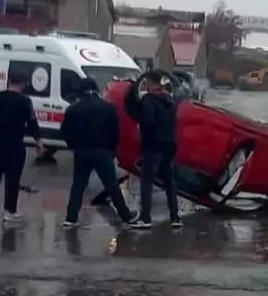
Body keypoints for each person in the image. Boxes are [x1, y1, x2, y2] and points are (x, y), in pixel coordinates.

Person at [61, 77, 136, 229]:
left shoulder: (74, 109)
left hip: (82, 151)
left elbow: (65, 132)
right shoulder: (108, 108)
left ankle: (71, 217)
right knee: (111, 185)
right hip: (102, 152)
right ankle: (125, 215)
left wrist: (74, 146)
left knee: (78, 185)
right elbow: (115, 132)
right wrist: (111, 150)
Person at [0, 69, 38, 224]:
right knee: (12, 180)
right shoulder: (25, 101)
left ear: (9, 81)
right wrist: (39, 141)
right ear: (23, 84)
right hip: (14, 145)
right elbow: (32, 122)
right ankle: (9, 211)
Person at [135, 74, 181, 229]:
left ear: (151, 84)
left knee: (147, 183)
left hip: (153, 146)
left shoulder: (148, 102)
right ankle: (175, 217)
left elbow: (147, 124)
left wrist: (143, 142)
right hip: (169, 147)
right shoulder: (171, 102)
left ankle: (146, 217)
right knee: (170, 183)